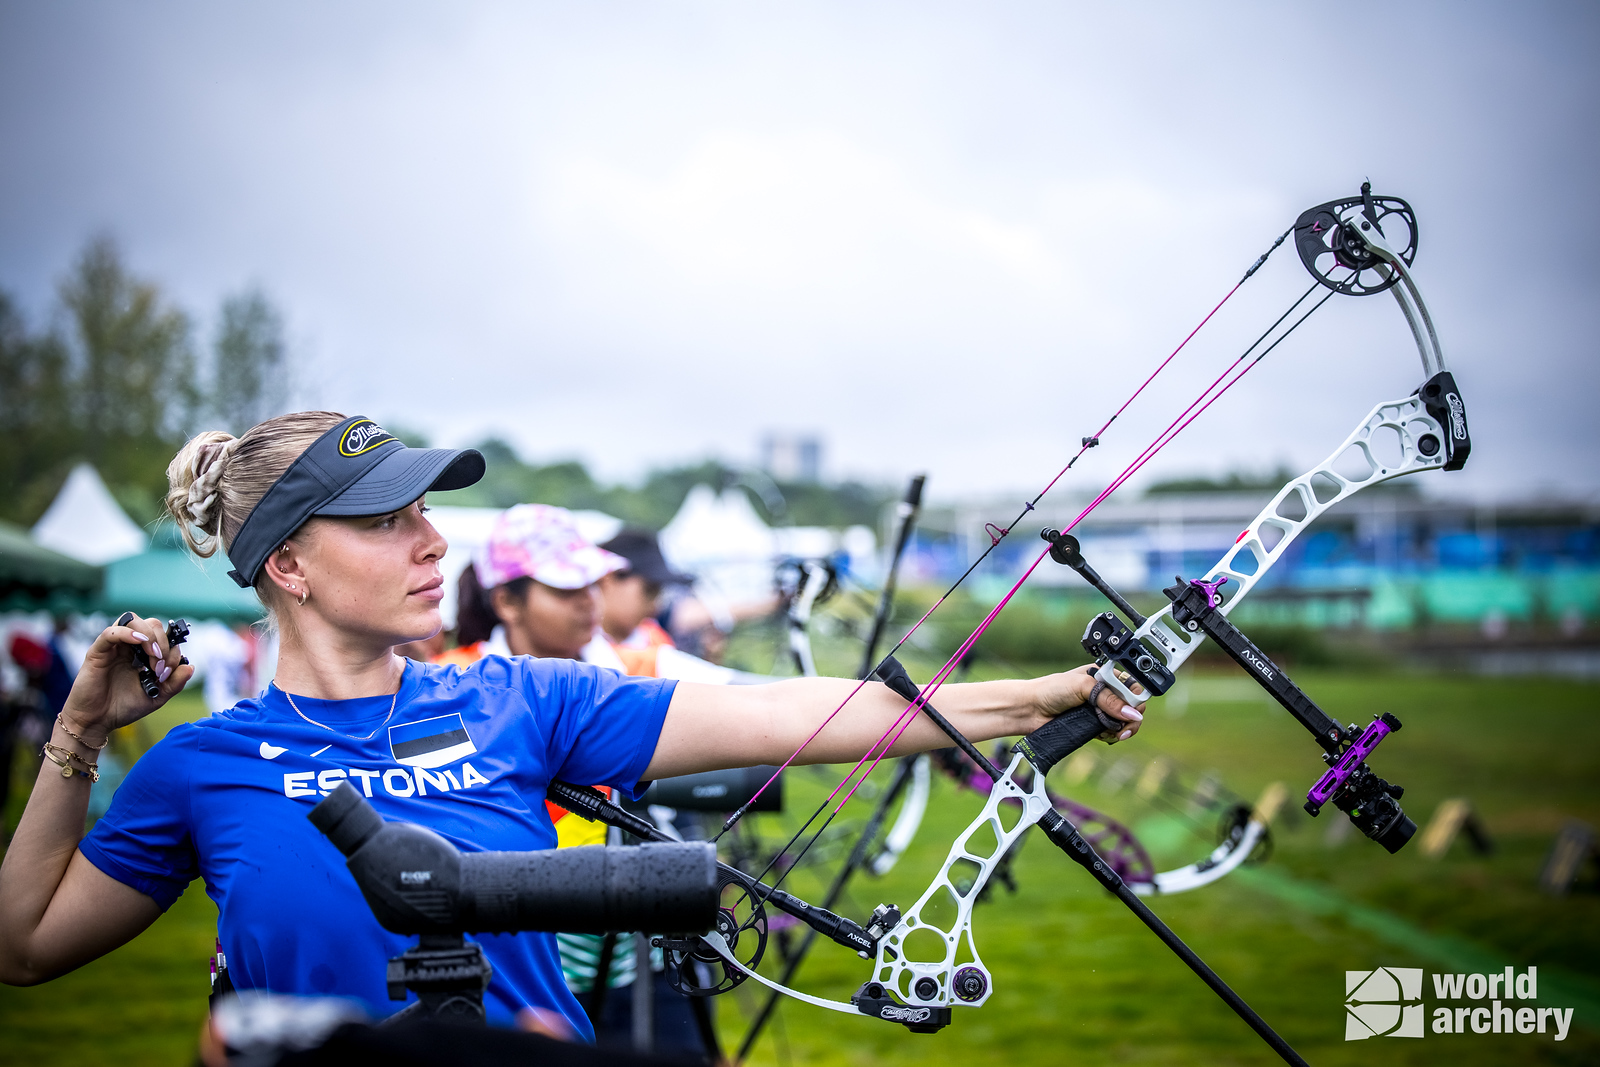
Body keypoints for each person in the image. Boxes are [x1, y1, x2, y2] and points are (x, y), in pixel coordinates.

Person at [0, 411, 1142, 1042]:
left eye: (428, 514)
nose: (432, 543)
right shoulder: (207, 765)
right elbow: (25, 949)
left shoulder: (518, 699)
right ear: (287, 562)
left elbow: (800, 710)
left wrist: (1040, 696)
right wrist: (78, 735)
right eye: (386, 520)